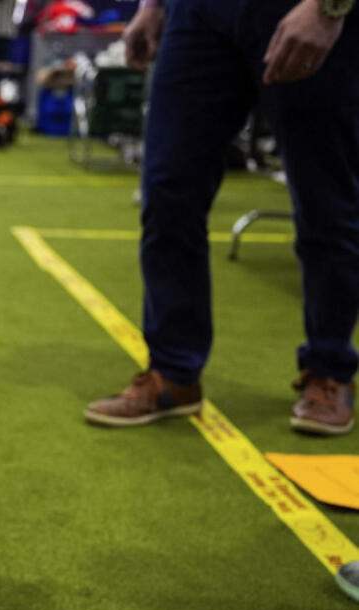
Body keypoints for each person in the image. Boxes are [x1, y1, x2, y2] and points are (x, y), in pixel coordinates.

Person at [85, 0, 359, 437]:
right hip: (197, 13)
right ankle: (173, 373)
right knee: (167, 191)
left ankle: (329, 371)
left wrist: (328, 7)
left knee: (325, 197)